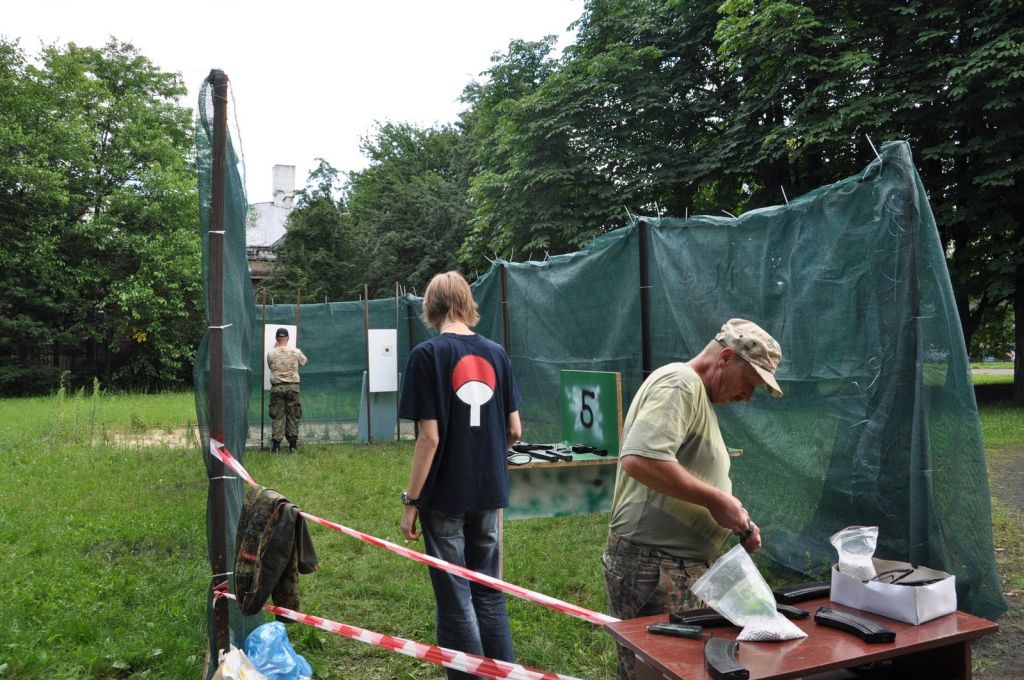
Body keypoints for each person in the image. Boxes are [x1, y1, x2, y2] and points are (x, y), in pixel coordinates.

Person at [603, 318, 783, 679]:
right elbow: (641, 459)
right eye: (750, 384)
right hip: (654, 567)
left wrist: (735, 517)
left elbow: (682, 472)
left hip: (669, 566)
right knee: (655, 672)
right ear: (727, 357)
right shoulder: (681, 384)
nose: (747, 398)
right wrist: (717, 501)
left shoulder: (693, 392)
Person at [398, 271, 522, 679]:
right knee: (489, 593)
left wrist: (411, 501)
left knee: (456, 599)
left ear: (430, 307)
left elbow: (429, 438)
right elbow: (515, 430)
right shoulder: (498, 353)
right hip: (489, 491)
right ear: (467, 304)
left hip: (444, 497)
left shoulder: (425, 355)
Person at [266, 327, 308, 452]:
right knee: (293, 415)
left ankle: (276, 446)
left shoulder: (271, 353)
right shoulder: (296, 352)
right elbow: (305, 362)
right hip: (293, 387)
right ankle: (293, 446)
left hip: (277, 387)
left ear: (276, 338)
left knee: (277, 416)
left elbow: (270, 366)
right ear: (288, 338)